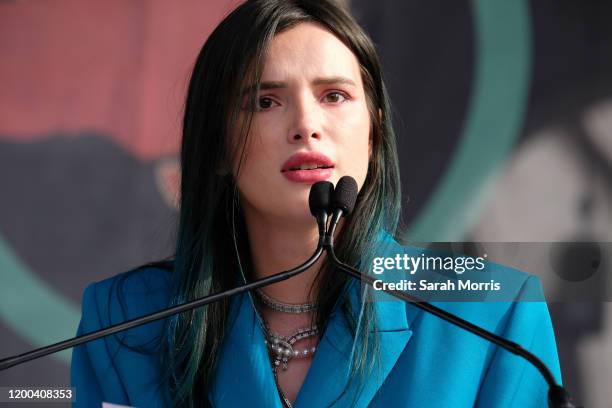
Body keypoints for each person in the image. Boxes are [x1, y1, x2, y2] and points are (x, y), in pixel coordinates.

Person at [71, 1, 562, 407]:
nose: (306, 124)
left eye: (334, 96)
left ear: (373, 133)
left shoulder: (492, 313)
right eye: (265, 101)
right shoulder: (124, 319)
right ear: (217, 147)